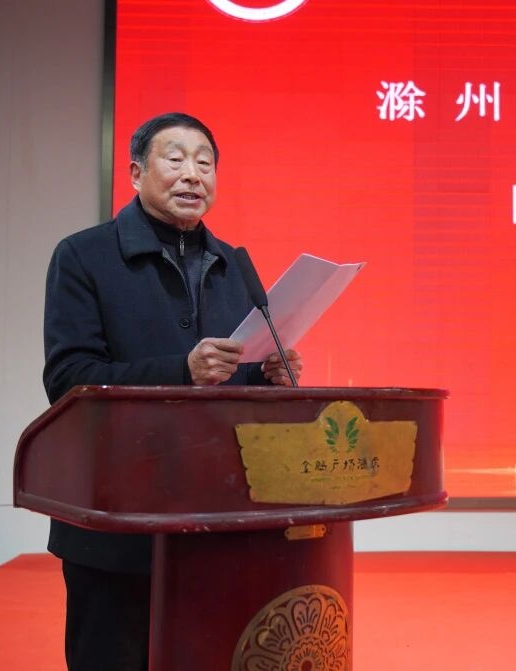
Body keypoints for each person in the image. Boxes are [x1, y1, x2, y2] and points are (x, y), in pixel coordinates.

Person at [42, 112, 303, 670]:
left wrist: (267, 377)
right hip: (115, 516)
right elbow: (68, 380)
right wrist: (182, 369)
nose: (193, 174)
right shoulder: (83, 256)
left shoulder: (233, 265)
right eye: (176, 159)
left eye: (205, 163)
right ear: (136, 173)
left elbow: (229, 382)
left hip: (215, 520)